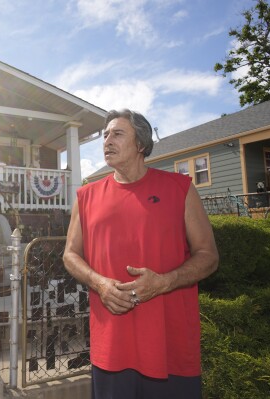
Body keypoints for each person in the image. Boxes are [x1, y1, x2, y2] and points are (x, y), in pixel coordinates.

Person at [63, 109, 219, 398]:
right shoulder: (86, 196)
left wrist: (164, 282)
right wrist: (99, 283)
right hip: (111, 350)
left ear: (141, 145)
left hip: (170, 350)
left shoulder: (180, 188)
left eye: (117, 133)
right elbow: (70, 254)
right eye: (106, 134)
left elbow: (208, 255)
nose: (107, 140)